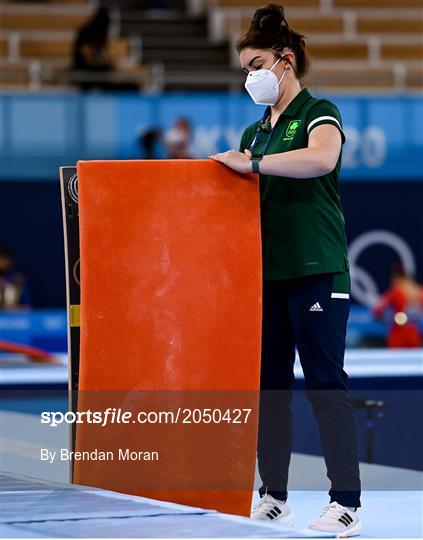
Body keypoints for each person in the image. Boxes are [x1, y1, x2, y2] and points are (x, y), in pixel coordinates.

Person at [209, 4, 361, 537]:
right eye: (245, 69)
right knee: (269, 390)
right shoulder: (256, 131)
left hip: (318, 271)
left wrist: (250, 165)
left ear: (285, 61)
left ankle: (346, 502)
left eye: (256, 65)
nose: (250, 77)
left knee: (325, 385)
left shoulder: (320, 111)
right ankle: (273, 495)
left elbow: (320, 159)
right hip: (266, 278)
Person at [373, 261, 423, 348]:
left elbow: (377, 310)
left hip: (398, 335)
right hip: (415, 335)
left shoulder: (396, 291)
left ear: (395, 277)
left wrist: (389, 319)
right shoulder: (419, 290)